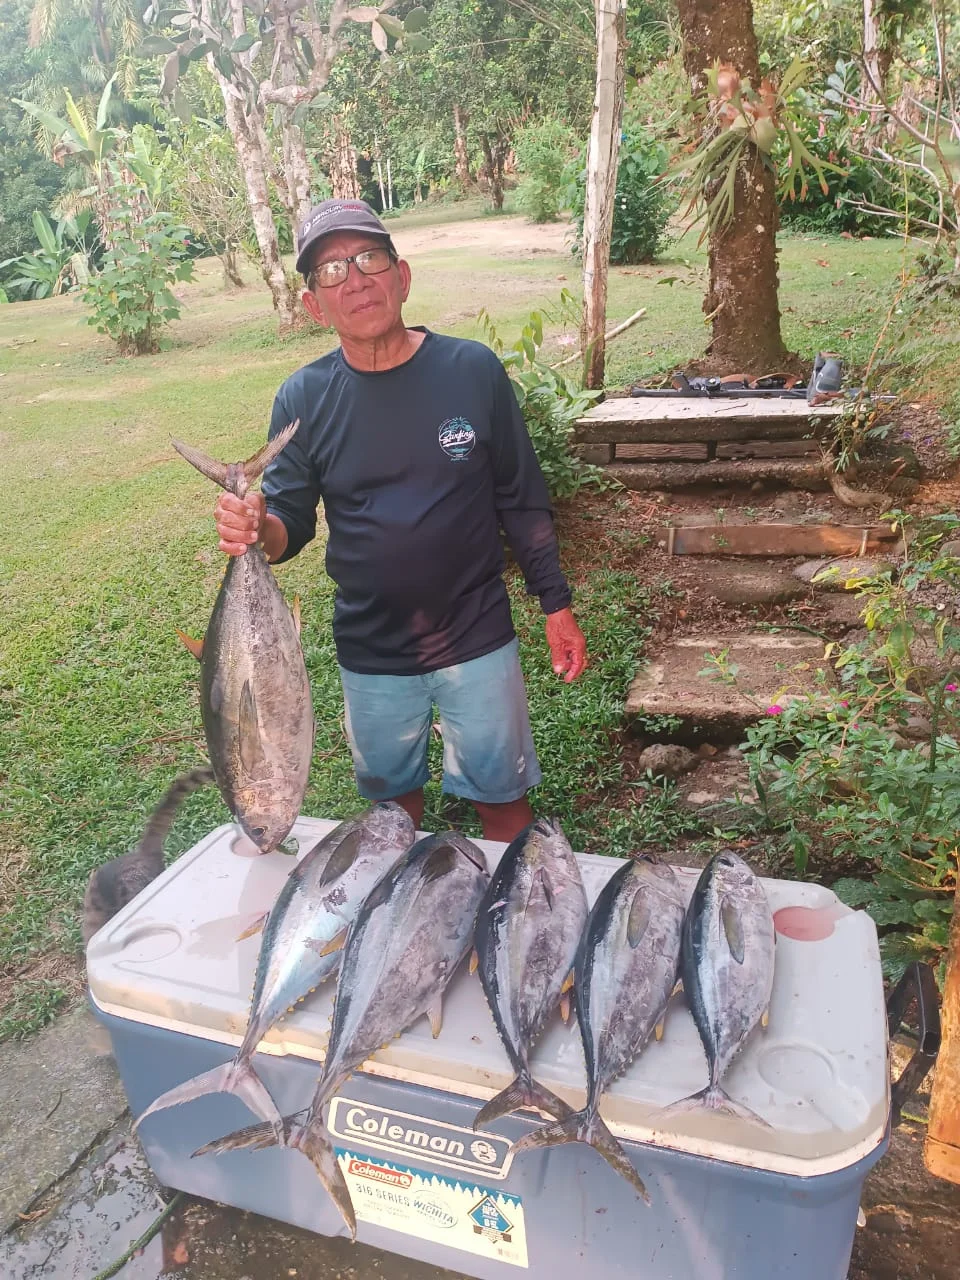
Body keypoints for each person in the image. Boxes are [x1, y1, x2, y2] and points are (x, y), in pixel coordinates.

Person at [214, 198, 587, 842]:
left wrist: (556, 605)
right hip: (371, 649)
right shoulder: (303, 398)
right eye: (331, 271)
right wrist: (256, 526)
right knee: (391, 817)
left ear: (402, 275)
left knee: (504, 806)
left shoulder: (472, 370)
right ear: (314, 306)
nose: (356, 280)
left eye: (370, 259)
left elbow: (520, 496)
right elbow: (289, 527)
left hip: (477, 635)